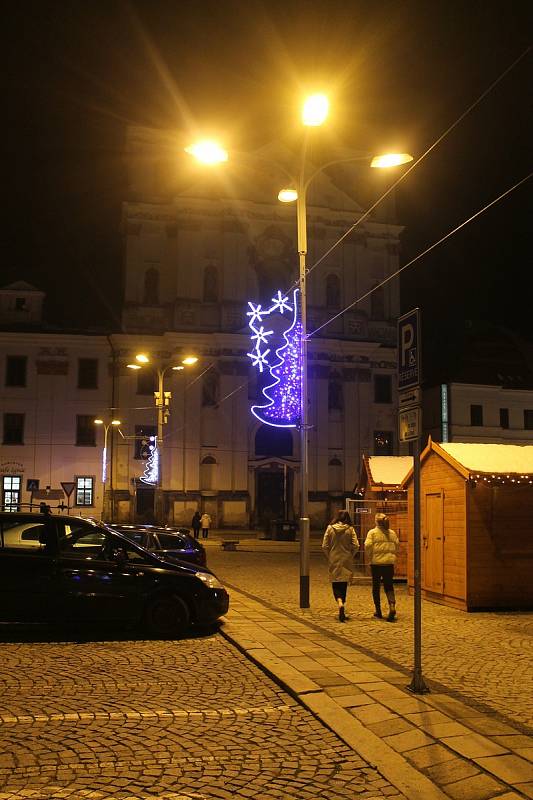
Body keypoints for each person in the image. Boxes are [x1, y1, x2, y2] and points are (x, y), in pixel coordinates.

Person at [322, 510, 360, 622]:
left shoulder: (330, 528)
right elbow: (356, 545)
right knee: (344, 583)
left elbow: (324, 545)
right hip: (346, 558)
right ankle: (342, 602)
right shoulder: (350, 529)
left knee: (335, 582)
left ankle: (339, 602)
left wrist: (329, 555)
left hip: (334, 558)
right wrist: (351, 555)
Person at [365, 512, 400, 622]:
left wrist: (370, 556)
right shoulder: (392, 533)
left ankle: (378, 611)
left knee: (376, 587)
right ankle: (392, 606)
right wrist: (392, 556)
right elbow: (397, 545)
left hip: (376, 564)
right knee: (389, 586)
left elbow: (368, 545)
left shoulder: (372, 533)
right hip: (389, 564)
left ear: (376, 521)